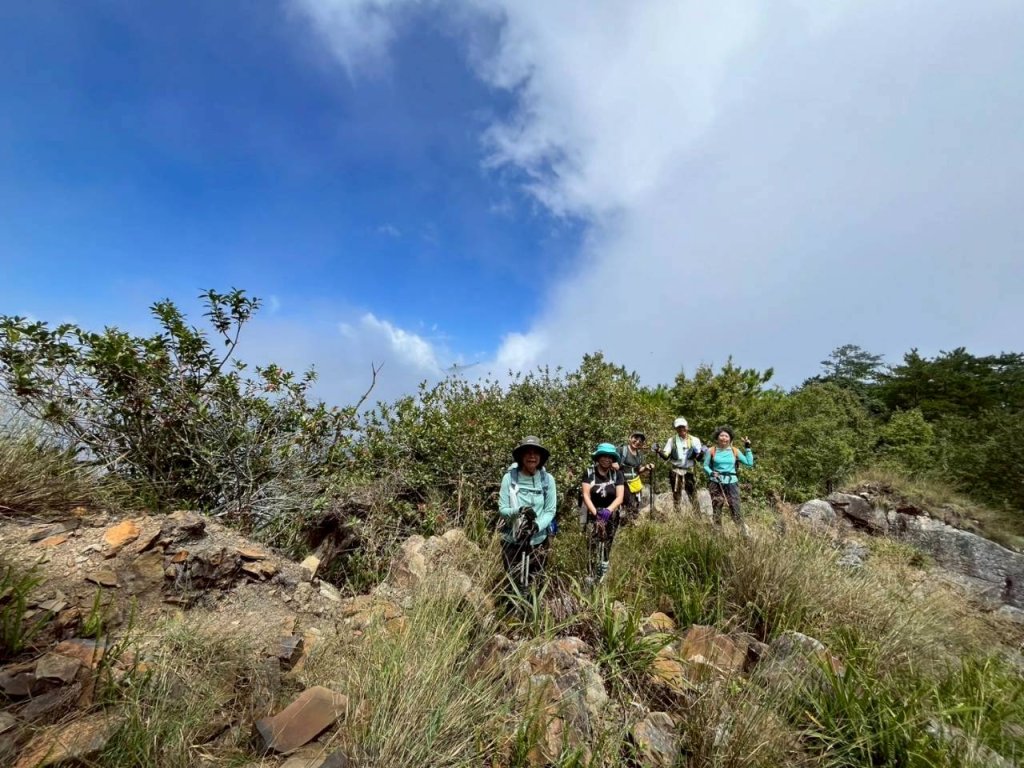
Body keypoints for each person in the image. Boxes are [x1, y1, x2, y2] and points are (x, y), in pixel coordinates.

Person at [498, 436, 558, 591]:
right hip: (512, 540)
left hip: (538, 541)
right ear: (521, 456)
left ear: (541, 457)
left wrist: (536, 526)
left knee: (534, 584)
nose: (532, 456)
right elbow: (503, 508)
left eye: (536, 453)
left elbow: (550, 510)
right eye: (528, 453)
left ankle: (531, 612)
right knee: (514, 583)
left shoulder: (547, 480)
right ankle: (514, 612)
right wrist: (519, 512)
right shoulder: (509, 478)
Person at [581, 443, 625, 582]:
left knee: (607, 543)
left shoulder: (617, 474)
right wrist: (595, 513)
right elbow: (586, 495)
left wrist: (608, 511)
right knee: (592, 544)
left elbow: (620, 497)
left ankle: (603, 576)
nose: (606, 459)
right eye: (603, 456)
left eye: (609, 457)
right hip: (592, 514)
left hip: (611, 514)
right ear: (598, 457)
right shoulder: (589, 473)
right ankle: (590, 575)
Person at [703, 426, 754, 536]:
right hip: (715, 481)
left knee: (735, 507)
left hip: (732, 482)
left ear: (730, 439)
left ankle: (743, 533)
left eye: (726, 436)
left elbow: (749, 463)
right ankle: (718, 532)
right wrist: (711, 473)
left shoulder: (735, 451)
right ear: (717, 438)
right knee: (717, 507)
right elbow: (705, 466)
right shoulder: (711, 450)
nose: (724, 438)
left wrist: (747, 447)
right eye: (721, 435)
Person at [655, 417, 704, 512]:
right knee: (676, 495)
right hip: (675, 470)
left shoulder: (695, 440)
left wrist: (702, 453)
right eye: (679, 427)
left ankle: (697, 516)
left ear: (687, 427)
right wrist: (658, 450)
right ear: (676, 429)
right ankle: (678, 516)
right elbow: (666, 456)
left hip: (689, 470)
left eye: (683, 426)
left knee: (693, 494)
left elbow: (698, 458)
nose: (681, 429)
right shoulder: (672, 440)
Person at [617, 432, 654, 520]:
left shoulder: (640, 455)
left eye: (640, 441)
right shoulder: (622, 450)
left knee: (636, 505)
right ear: (630, 438)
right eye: (635, 438)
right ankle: (624, 524)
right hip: (623, 483)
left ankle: (631, 526)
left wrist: (646, 468)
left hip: (635, 483)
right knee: (629, 504)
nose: (637, 441)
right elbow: (613, 464)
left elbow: (638, 470)